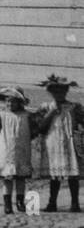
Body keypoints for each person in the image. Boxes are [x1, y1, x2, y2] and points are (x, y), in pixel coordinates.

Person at [35, 74, 83, 213]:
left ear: (66, 92)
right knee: (54, 174)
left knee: (72, 174)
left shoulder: (74, 107)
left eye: (62, 91)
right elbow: (40, 128)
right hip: (53, 143)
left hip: (69, 142)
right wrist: (50, 114)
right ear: (51, 92)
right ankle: (52, 203)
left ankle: (75, 203)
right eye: (55, 92)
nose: (59, 94)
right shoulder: (46, 107)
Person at [0, 86, 39, 213]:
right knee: (7, 178)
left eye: (13, 101)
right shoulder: (1, 114)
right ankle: (7, 204)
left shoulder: (26, 115)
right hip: (5, 148)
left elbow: (33, 130)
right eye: (7, 101)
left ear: (20, 102)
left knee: (21, 177)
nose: (10, 104)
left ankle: (20, 202)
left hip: (21, 149)